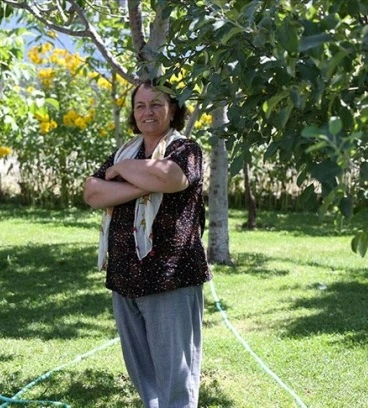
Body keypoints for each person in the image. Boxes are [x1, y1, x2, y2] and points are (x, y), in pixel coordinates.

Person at [83, 77, 211, 408]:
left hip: (170, 277)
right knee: (145, 378)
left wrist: (124, 171)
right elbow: (92, 192)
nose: (147, 112)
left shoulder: (185, 149)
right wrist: (144, 183)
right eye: (140, 105)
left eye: (156, 104)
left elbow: (170, 177)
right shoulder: (128, 149)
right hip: (125, 278)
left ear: (173, 110)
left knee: (175, 378)